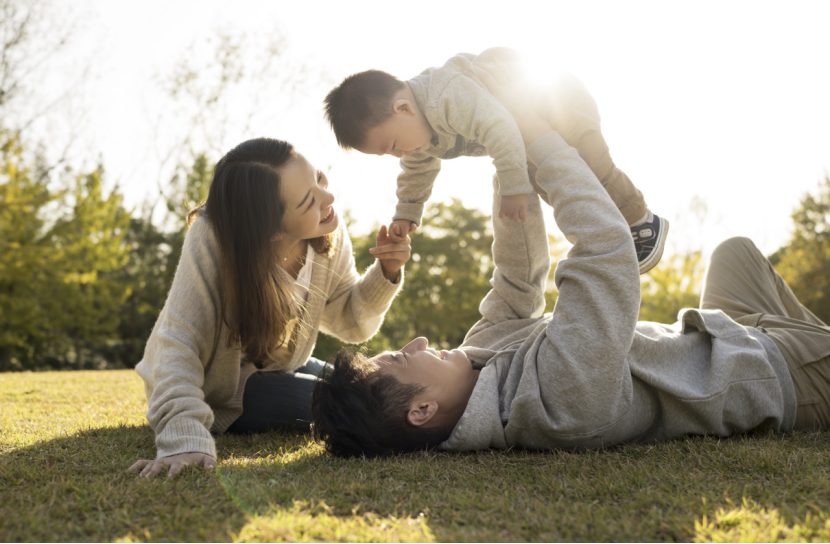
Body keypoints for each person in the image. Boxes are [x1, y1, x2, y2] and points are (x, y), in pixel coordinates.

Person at [311, 64, 830, 458]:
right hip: (783, 372)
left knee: (732, 251)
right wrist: (540, 139)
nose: (418, 341)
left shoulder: (476, 356)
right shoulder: (557, 403)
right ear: (423, 410)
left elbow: (517, 277)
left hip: (730, 331)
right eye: (403, 356)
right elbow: (607, 249)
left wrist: (508, 168)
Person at [129, 137, 410, 477]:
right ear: (270, 230)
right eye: (309, 201)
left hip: (281, 367)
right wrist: (183, 438)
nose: (328, 198)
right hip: (223, 390)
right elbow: (179, 341)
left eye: (318, 178)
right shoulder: (212, 237)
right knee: (358, 406)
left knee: (370, 385)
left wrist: (386, 273)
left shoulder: (328, 231)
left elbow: (351, 323)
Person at [323, 47, 668, 274]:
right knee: (547, 179)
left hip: (557, 100)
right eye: (389, 153)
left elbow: (500, 127)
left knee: (591, 164)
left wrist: (513, 187)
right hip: (530, 127)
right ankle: (605, 236)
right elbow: (416, 171)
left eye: (394, 144)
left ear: (404, 107)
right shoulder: (419, 137)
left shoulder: (446, 96)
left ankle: (642, 220)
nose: (400, 154)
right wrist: (407, 213)